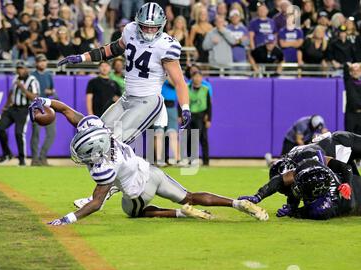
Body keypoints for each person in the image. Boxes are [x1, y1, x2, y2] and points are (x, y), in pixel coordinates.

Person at [28, 97, 269, 225]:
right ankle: (236, 204)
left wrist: (67, 219)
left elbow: (95, 204)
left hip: (137, 193)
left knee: (136, 214)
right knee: (191, 196)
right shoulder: (98, 128)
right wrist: (45, 102)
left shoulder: (102, 166)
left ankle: (180, 215)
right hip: (150, 172)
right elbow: (67, 110)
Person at [57, 2, 191, 209]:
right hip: (127, 98)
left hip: (148, 101)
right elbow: (111, 50)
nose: (148, 30)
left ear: (162, 25)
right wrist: (82, 57)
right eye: (144, 26)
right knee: (98, 133)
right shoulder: (130, 30)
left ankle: (100, 197)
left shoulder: (167, 45)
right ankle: (121, 181)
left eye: (153, 26)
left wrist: (185, 108)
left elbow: (180, 81)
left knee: (111, 144)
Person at [0, 61, 40, 166]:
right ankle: (7, 154)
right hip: (13, 108)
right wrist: (6, 106)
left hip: (24, 109)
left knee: (19, 133)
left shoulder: (32, 80)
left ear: (26, 69)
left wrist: (22, 88)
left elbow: (35, 97)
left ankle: (22, 159)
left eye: (22, 68)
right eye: (18, 68)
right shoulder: (16, 78)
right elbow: (11, 93)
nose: (19, 70)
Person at [31, 54, 56, 166]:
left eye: (44, 61)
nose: (43, 63)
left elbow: (52, 90)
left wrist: (51, 92)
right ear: (36, 63)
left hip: (48, 108)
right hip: (36, 108)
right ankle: (35, 159)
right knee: (36, 134)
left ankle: (42, 156)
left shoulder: (48, 75)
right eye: (40, 61)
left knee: (51, 133)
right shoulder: (32, 75)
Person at [186, 69, 211, 166]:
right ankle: (190, 159)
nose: (197, 78)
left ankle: (206, 161)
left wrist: (209, 119)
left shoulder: (205, 89)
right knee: (189, 138)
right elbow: (182, 101)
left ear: (202, 78)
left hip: (201, 116)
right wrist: (180, 115)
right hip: (189, 115)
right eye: (195, 76)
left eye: (199, 76)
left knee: (202, 138)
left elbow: (209, 105)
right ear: (192, 78)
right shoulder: (187, 88)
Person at [343, 62, 361, 136]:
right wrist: (352, 65)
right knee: (349, 137)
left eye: (357, 71)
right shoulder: (348, 81)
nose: (355, 72)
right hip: (351, 114)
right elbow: (345, 67)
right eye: (353, 71)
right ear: (350, 72)